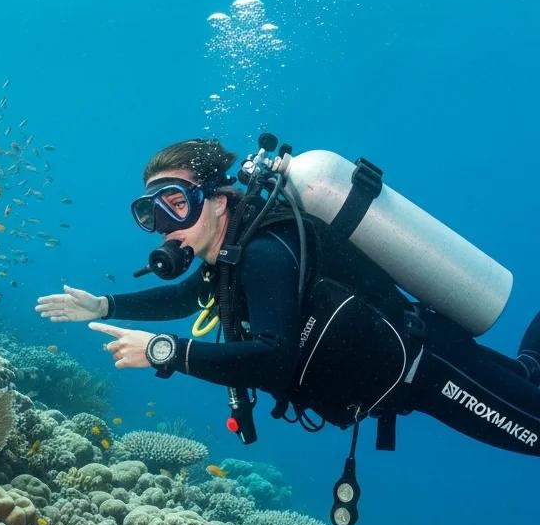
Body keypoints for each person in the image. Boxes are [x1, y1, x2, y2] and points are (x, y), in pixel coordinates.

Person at [35, 138, 540, 461]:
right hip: (419, 367)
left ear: (217, 198)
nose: (167, 228)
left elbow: (276, 359)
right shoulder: (227, 255)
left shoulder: (262, 254)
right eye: (154, 213)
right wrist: (104, 306)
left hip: (433, 372)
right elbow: (186, 297)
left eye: (177, 204)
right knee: (524, 375)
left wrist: (164, 351)